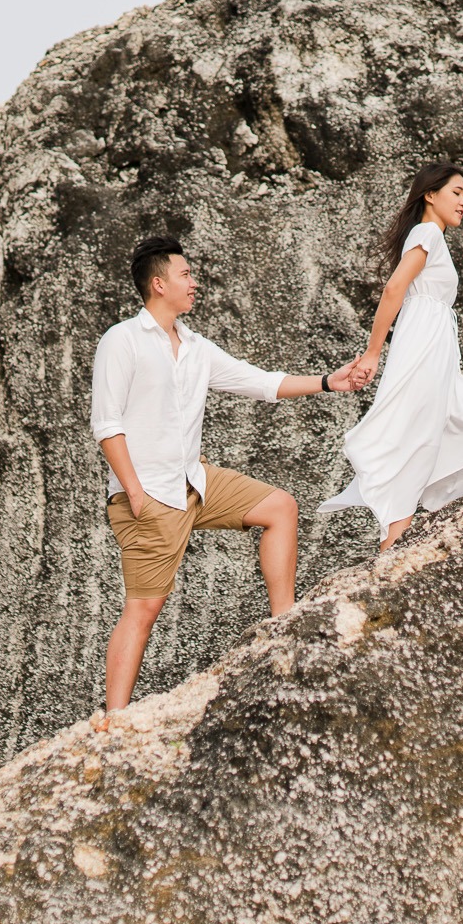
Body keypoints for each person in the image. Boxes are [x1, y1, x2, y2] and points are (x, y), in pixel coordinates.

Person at [89, 235, 368, 723]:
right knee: (144, 609)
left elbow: (259, 382)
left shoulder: (195, 347)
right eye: (185, 275)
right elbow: (107, 425)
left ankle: (284, 625)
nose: (194, 283)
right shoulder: (122, 341)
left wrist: (329, 381)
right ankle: (113, 722)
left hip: (194, 481)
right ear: (158, 284)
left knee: (279, 507)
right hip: (148, 495)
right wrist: (134, 493)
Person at [321, 163, 463, 550]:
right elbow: (394, 288)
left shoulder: (432, 237)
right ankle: (460, 527)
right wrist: (371, 353)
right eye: (457, 192)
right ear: (430, 195)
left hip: (439, 360)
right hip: (423, 356)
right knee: (416, 446)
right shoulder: (428, 231)